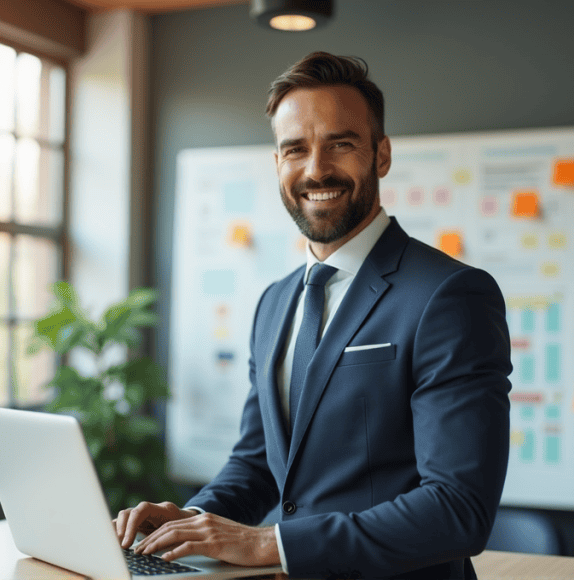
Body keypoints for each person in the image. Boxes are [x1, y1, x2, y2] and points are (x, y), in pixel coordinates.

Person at [116, 51, 512, 579]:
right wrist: (190, 520)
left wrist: (267, 543)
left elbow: (458, 509)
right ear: (278, 163)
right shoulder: (275, 302)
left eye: (340, 144)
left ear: (382, 155)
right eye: (295, 149)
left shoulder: (451, 295)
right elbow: (258, 465)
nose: (316, 169)